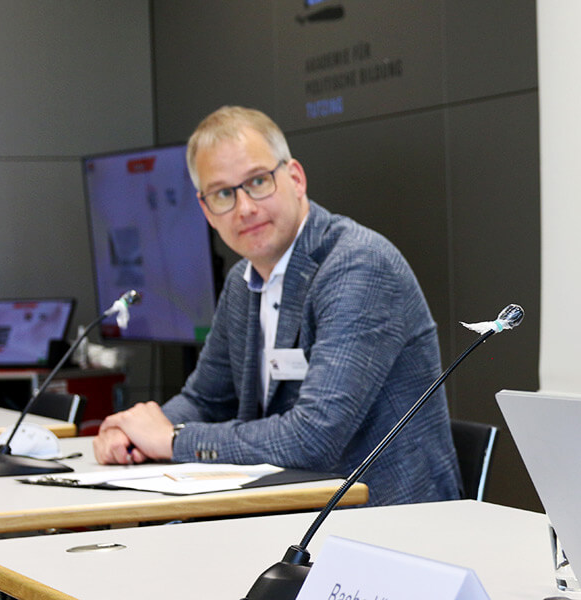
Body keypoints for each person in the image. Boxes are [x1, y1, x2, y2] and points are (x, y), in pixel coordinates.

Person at [94, 106, 460, 506]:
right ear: (205, 210)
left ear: (295, 178)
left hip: (389, 523)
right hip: (290, 513)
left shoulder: (358, 265)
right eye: (223, 194)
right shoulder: (242, 281)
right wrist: (134, 432)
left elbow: (313, 438)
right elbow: (204, 400)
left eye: (257, 181)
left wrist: (172, 439)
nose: (245, 208)